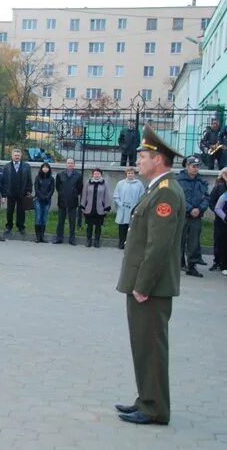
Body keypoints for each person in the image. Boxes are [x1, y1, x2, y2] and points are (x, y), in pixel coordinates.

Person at [115, 123, 185, 426]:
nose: (138, 160)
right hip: (145, 286)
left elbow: (158, 247)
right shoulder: (156, 189)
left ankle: (155, 408)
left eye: (142, 155)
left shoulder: (166, 193)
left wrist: (142, 285)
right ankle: (146, 399)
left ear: (158, 159)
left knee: (152, 346)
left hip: (151, 288)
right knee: (142, 345)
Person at [176, 156, 209, 277]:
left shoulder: (201, 181)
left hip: (196, 216)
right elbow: (179, 197)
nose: (196, 169)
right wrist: (190, 209)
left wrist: (199, 209)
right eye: (193, 166)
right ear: (187, 166)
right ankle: (179, 263)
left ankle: (192, 266)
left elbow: (206, 197)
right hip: (183, 215)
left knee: (194, 241)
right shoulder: (179, 180)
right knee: (179, 240)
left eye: (197, 166)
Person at [2, 148, 33, 236]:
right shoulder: (7, 166)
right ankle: (9, 227)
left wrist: (29, 191)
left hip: (22, 193)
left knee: (21, 211)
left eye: (18, 155)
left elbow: (29, 180)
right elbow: (4, 181)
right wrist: (4, 194)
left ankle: (21, 227)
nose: (16, 157)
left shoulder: (26, 166)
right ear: (12, 156)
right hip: (10, 193)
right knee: (10, 211)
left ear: (21, 156)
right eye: (15, 155)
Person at [113, 167, 146, 250]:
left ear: (134, 174)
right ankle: (121, 243)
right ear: (126, 174)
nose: (130, 174)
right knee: (122, 227)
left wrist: (136, 206)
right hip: (123, 208)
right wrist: (121, 204)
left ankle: (130, 244)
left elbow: (142, 197)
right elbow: (116, 196)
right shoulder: (120, 183)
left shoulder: (139, 184)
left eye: (132, 173)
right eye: (128, 173)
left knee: (132, 228)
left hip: (133, 209)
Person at [53, 158, 83, 245]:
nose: (70, 164)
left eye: (71, 163)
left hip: (73, 200)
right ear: (66, 164)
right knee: (60, 220)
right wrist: (62, 193)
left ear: (74, 164)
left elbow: (80, 188)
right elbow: (58, 187)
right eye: (68, 163)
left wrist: (74, 193)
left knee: (72, 221)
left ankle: (72, 239)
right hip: (62, 200)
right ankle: (59, 238)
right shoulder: (60, 174)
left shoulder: (78, 175)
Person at [80, 168, 112, 248]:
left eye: (98, 173)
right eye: (95, 173)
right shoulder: (88, 182)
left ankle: (97, 241)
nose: (96, 175)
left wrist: (106, 207)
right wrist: (83, 205)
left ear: (101, 175)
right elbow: (84, 194)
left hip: (100, 208)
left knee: (98, 226)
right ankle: (88, 240)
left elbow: (107, 196)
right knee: (89, 226)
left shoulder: (105, 183)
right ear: (92, 174)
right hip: (89, 208)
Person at [208, 167, 227, 271]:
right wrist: (220, 214)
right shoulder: (218, 187)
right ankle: (217, 261)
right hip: (220, 220)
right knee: (219, 240)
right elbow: (211, 202)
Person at [33, 162, 55, 243]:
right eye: (44, 167)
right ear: (41, 168)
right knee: (38, 217)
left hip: (47, 201)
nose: (45, 169)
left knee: (44, 218)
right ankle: (37, 237)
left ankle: (42, 237)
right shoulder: (38, 177)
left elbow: (52, 190)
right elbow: (36, 189)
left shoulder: (51, 179)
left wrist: (47, 197)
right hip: (38, 200)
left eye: (47, 167)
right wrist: (42, 197)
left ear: (49, 169)